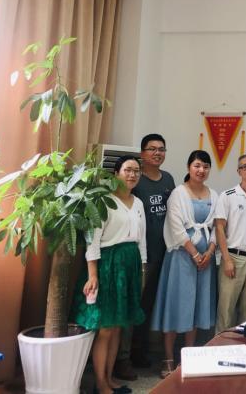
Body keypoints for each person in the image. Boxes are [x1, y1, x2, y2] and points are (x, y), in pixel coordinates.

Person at [72, 155, 146, 394]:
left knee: (117, 327)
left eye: (136, 171)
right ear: (116, 173)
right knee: (105, 327)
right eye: (127, 170)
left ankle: (110, 377)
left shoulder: (138, 203)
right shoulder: (103, 200)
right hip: (108, 265)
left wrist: (142, 269)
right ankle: (100, 383)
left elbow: (141, 240)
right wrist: (93, 275)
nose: (132, 175)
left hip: (130, 264)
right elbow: (92, 240)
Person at [150, 150, 218, 379]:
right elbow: (176, 228)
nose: (201, 170)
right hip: (181, 259)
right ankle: (168, 357)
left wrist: (209, 253)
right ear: (189, 167)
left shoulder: (214, 194)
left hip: (206, 262)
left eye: (206, 166)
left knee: (196, 307)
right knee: (176, 306)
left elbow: (217, 227)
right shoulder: (178, 194)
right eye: (197, 165)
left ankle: (189, 355)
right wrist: (195, 255)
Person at [115, 134, 176, 380]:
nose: (157, 153)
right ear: (142, 154)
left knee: (147, 307)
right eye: (152, 149)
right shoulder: (135, 180)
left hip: (163, 254)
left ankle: (139, 351)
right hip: (139, 256)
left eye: (161, 149)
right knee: (131, 307)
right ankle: (122, 359)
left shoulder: (168, 179)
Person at [214, 154, 246, 332]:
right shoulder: (228, 196)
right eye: (245, 166)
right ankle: (221, 346)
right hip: (233, 258)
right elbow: (219, 228)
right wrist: (227, 259)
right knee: (226, 310)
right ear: (239, 171)